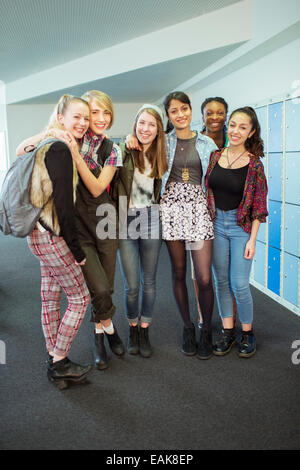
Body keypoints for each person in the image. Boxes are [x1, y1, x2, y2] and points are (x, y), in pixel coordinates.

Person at [17, 90, 125, 371]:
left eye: (105, 113)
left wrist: (76, 155)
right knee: (96, 286)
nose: (98, 119)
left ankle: (106, 329)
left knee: (108, 286)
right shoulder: (73, 137)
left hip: (105, 220)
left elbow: (98, 187)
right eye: (92, 114)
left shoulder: (114, 150)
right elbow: (21, 150)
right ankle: (100, 337)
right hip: (76, 223)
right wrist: (51, 132)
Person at [25, 94, 92, 389]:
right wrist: (77, 251)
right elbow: (64, 206)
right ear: (61, 117)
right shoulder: (60, 149)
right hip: (52, 235)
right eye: (77, 116)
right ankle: (60, 360)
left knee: (50, 297)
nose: (83, 123)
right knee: (80, 298)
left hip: (36, 234)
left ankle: (54, 356)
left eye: (86, 118)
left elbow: (19, 151)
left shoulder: (43, 146)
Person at [205, 106, 268, 358]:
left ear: (251, 131)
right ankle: (228, 332)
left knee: (239, 284)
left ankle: (247, 333)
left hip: (241, 228)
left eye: (242, 127)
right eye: (232, 125)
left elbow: (259, 206)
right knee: (220, 281)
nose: (235, 131)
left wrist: (253, 239)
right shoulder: (214, 156)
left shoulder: (254, 165)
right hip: (216, 225)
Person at [160, 91, 218, 359]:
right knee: (178, 272)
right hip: (171, 207)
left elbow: (217, 176)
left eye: (184, 108)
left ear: (190, 110)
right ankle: (187, 327)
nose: (180, 114)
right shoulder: (162, 141)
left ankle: (206, 329)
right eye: (174, 111)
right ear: (168, 115)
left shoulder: (206, 142)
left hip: (197, 209)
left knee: (204, 277)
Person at [115, 104, 168, 357]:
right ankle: (132, 327)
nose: (145, 128)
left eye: (151, 124)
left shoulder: (161, 155)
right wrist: (127, 141)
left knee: (149, 282)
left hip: (151, 219)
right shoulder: (125, 150)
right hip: (126, 220)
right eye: (142, 123)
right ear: (135, 124)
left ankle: (144, 329)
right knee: (131, 285)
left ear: (158, 130)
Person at [191, 97, 229, 327]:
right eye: (209, 113)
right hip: (198, 213)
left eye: (220, 112)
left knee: (227, 274)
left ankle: (229, 320)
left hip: (227, 212)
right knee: (199, 273)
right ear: (202, 116)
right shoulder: (195, 140)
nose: (215, 117)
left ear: (226, 114)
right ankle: (203, 317)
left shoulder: (233, 139)